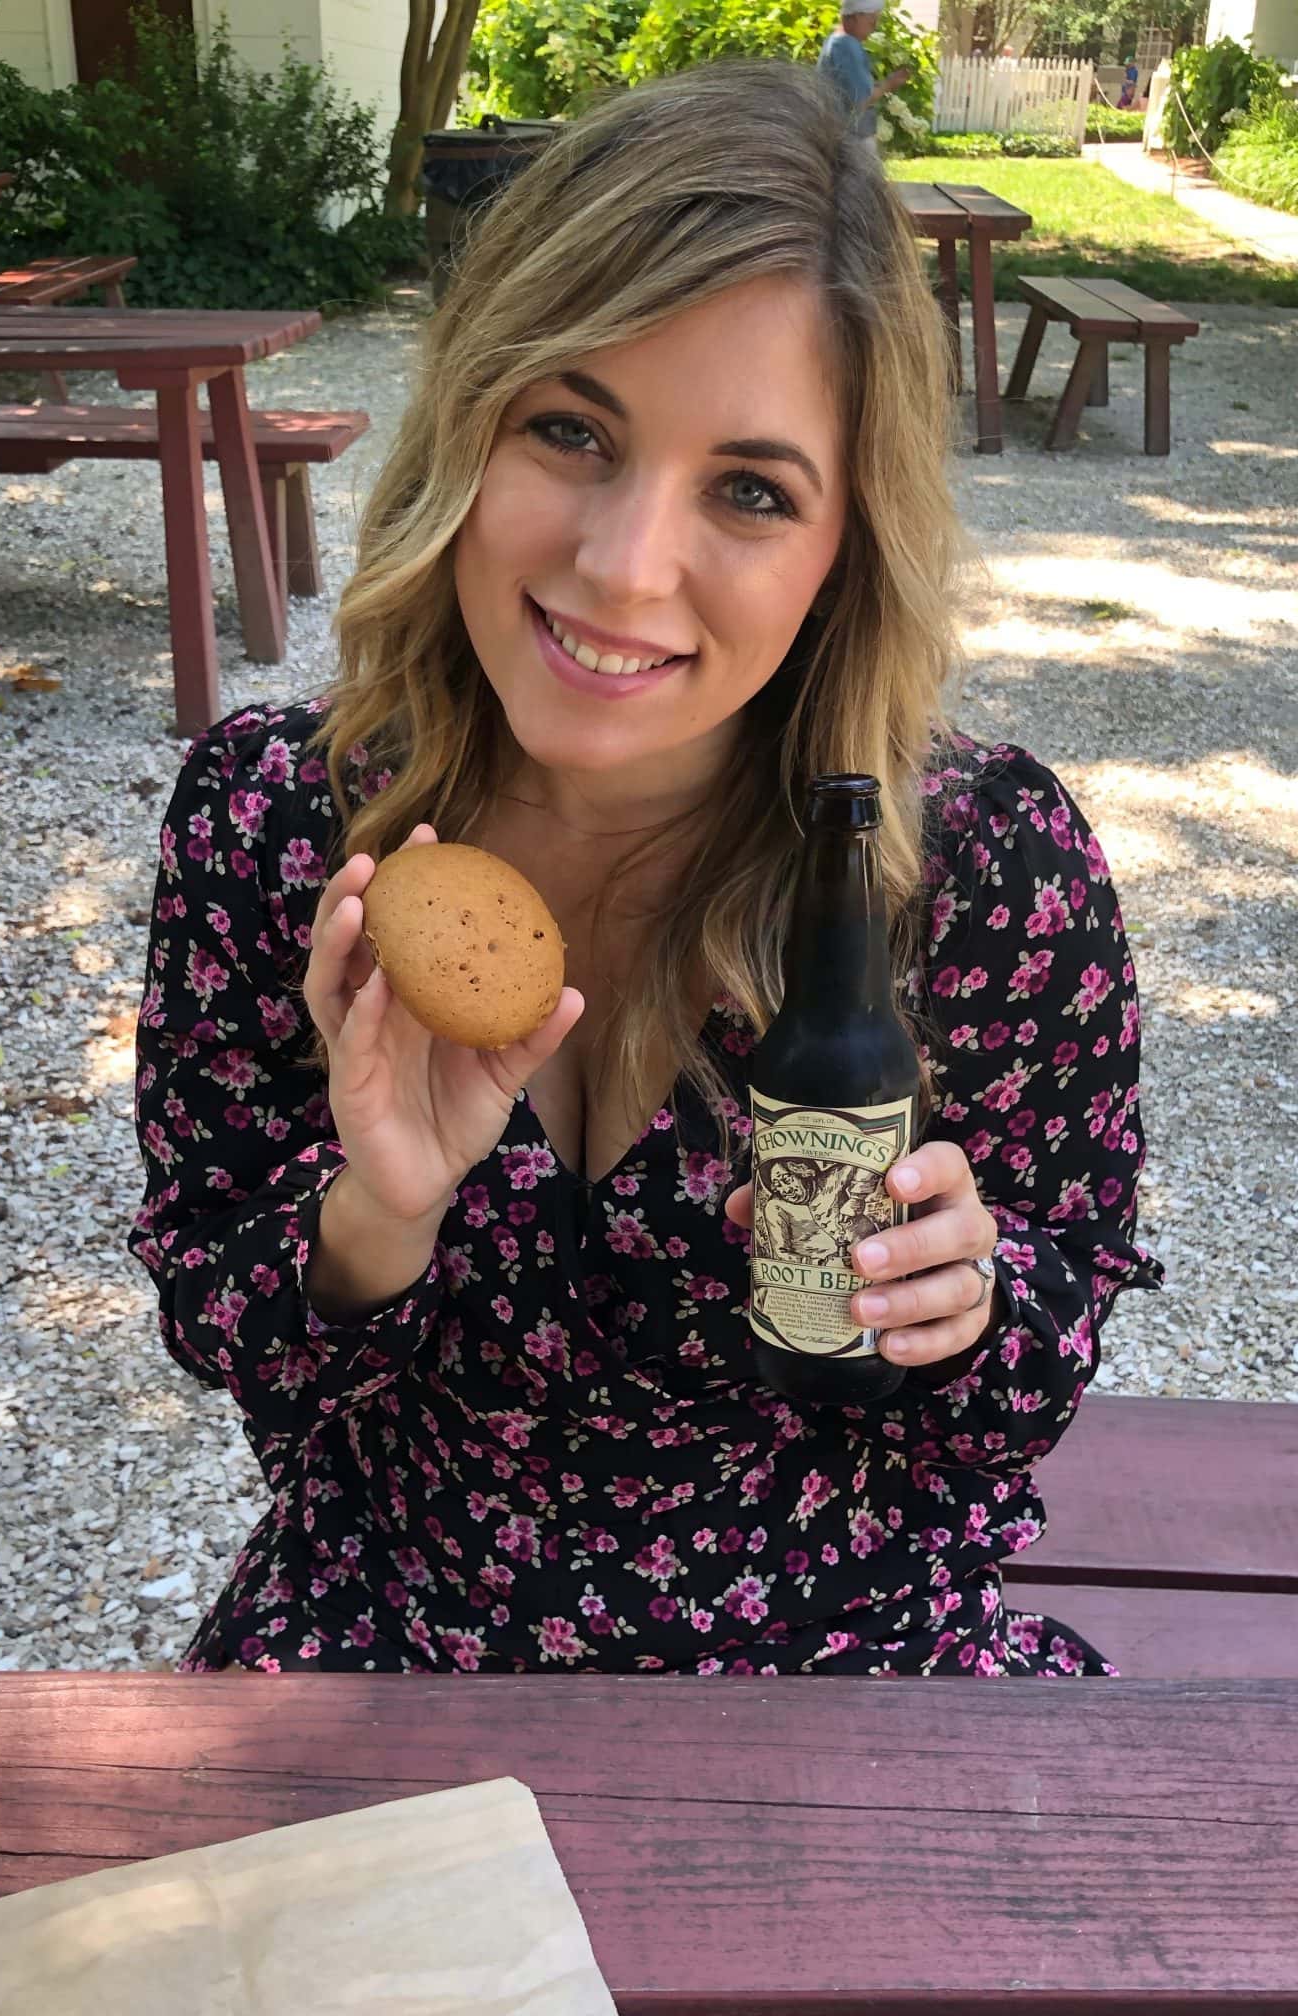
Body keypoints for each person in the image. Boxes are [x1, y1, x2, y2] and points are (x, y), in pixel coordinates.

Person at [130, 60, 1162, 1679]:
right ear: (473, 415)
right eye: (572, 428)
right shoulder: (281, 827)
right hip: (387, 1645)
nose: (624, 567)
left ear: (843, 545)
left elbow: (1043, 1363)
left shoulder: (981, 877)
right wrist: (379, 1214)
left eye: (750, 489)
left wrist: (968, 1298)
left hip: (846, 1668)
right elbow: (221, 1316)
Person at [815, 3, 910, 153]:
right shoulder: (847, 45)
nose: (874, 27)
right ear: (857, 16)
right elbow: (862, 99)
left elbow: (847, 88)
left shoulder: (834, 40)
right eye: (872, 20)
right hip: (852, 139)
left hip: (834, 133)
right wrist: (889, 83)